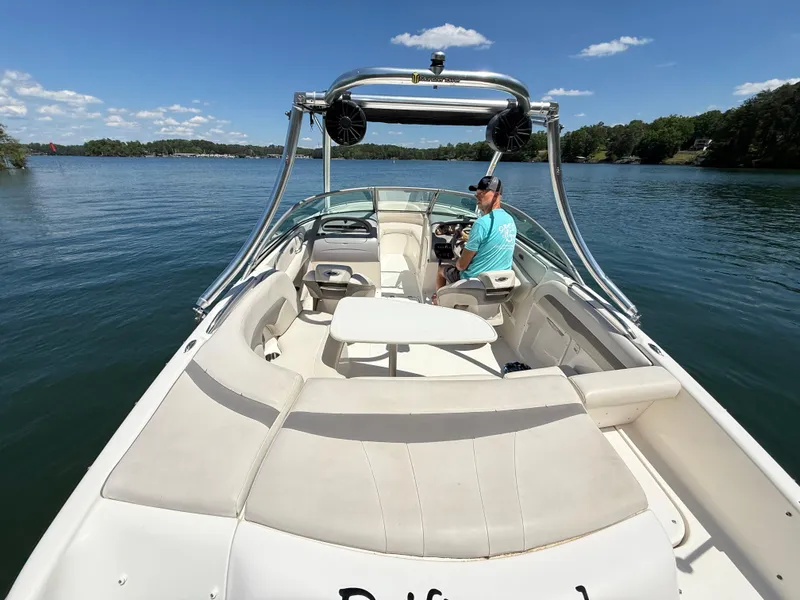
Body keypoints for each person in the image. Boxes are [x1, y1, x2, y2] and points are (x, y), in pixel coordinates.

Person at [435, 175, 517, 294]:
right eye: (477, 193)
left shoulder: (482, 223)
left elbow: (462, 266)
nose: (477, 196)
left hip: (475, 282)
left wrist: (457, 262)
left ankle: (438, 299)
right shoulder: (510, 220)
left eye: (482, 193)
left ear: (496, 195)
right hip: (501, 283)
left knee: (441, 270)